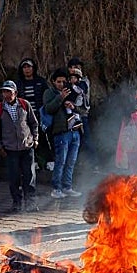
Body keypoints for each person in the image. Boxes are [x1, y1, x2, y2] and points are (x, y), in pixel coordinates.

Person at [0, 79, 40, 212]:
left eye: (8, 91)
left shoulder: (25, 105)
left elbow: (33, 123)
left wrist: (35, 139)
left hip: (27, 147)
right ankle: (16, 203)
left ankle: (31, 203)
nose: (6, 95)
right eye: (4, 92)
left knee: (29, 176)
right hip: (10, 149)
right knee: (14, 178)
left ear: (15, 93)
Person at [44, 68, 87, 199]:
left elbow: (83, 110)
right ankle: (56, 188)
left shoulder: (73, 91)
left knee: (71, 161)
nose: (61, 84)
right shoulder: (49, 92)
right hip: (61, 132)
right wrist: (60, 97)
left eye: (64, 81)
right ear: (53, 82)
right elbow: (49, 109)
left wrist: (73, 107)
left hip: (75, 130)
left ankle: (67, 187)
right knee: (60, 161)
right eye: (58, 82)